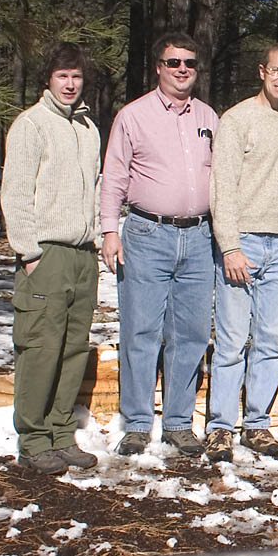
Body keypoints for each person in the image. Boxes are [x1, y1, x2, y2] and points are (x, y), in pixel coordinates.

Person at [100, 32, 217, 458]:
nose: (182, 69)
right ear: (158, 68)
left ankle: (178, 422)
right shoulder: (133, 116)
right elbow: (113, 176)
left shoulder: (208, 116)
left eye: (189, 62)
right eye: (173, 62)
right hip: (147, 234)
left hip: (201, 237)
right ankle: (135, 423)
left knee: (189, 333)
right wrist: (109, 230)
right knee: (141, 330)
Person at [0, 42, 101, 475]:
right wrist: (28, 252)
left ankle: (62, 431)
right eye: (62, 75)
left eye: (76, 77)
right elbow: (16, 192)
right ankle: (34, 437)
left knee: (73, 348)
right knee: (41, 348)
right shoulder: (31, 125)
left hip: (82, 255)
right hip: (46, 254)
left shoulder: (88, 128)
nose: (70, 84)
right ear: (49, 79)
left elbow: (95, 190)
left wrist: (96, 242)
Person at [204, 42, 278, 462]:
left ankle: (258, 423)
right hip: (242, 241)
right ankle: (221, 426)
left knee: (270, 340)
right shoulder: (237, 119)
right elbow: (221, 187)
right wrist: (229, 246)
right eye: (276, 70)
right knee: (230, 340)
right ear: (262, 71)